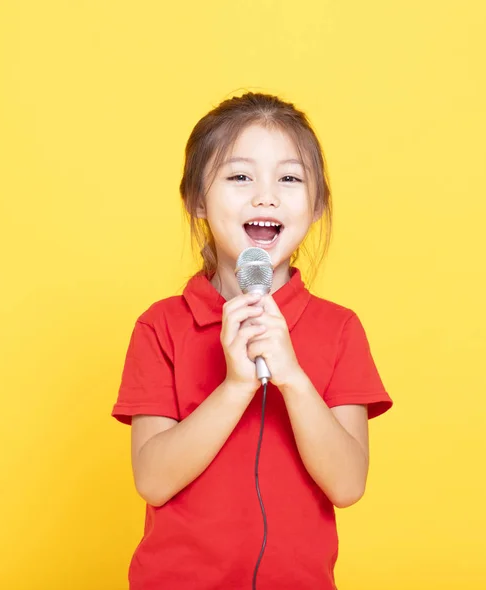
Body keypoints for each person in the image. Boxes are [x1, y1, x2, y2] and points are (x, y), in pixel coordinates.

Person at [112, 92, 393, 590]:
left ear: (317, 204)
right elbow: (152, 480)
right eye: (240, 176)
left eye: (289, 178)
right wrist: (236, 386)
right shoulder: (160, 327)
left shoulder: (340, 329)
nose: (266, 196)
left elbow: (348, 485)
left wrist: (293, 378)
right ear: (197, 199)